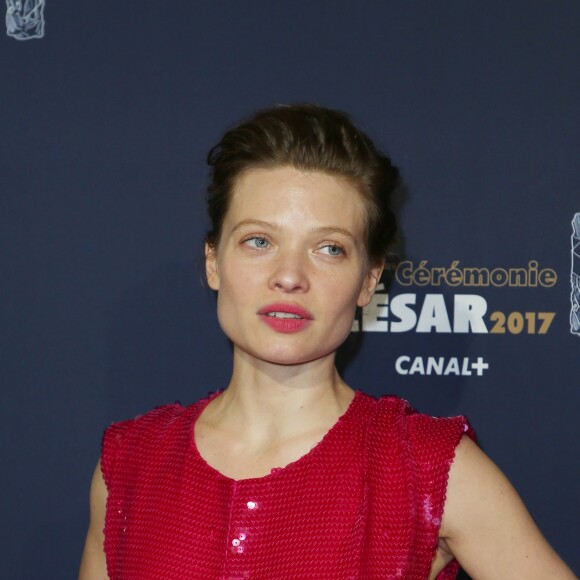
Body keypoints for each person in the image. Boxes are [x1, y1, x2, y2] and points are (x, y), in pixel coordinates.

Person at [79, 104, 574, 579]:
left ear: (367, 281)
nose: (290, 276)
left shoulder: (429, 470)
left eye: (329, 248)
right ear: (213, 261)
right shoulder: (131, 465)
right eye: (259, 241)